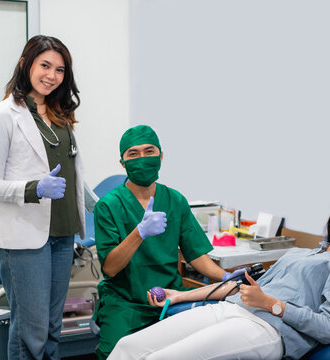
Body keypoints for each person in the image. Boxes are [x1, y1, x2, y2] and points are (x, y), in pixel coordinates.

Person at [108, 193, 330, 360]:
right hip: (230, 310)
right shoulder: (300, 253)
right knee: (129, 346)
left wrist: (273, 305)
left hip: (268, 331)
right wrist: (180, 295)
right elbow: (241, 289)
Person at [0, 35, 98, 360]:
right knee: (30, 332)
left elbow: (73, 177)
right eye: (45, 65)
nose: (52, 75)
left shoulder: (60, 116)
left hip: (63, 234)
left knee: (51, 328)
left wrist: (101, 207)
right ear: (25, 64)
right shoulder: (2, 114)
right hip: (24, 237)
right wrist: (33, 189)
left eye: (60, 69)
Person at [93, 125, 245, 359]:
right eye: (133, 154)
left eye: (149, 151)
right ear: (122, 162)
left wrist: (225, 277)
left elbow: (196, 256)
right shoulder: (109, 205)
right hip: (125, 303)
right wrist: (139, 233)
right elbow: (111, 268)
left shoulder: (175, 200)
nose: (142, 158)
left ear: (161, 156)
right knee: (115, 354)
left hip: (170, 297)